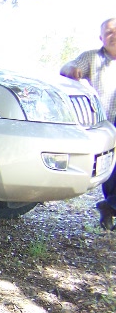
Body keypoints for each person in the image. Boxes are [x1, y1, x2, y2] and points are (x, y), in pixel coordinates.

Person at [60, 18, 116, 230]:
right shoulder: (93, 58)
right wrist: (72, 70)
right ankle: (110, 205)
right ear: (101, 37)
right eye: (108, 32)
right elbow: (69, 66)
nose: (113, 35)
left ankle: (110, 206)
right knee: (110, 171)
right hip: (106, 127)